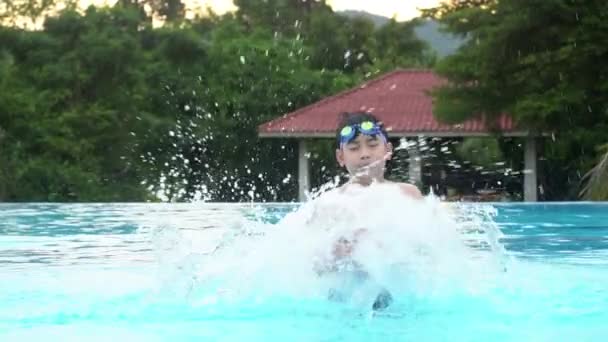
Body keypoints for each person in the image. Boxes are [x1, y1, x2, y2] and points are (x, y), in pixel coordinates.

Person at [311, 112, 424, 311]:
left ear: (388, 150)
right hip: (345, 300)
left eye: (372, 145)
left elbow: (428, 252)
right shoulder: (328, 203)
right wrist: (335, 254)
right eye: (354, 148)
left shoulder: (408, 194)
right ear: (340, 157)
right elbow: (311, 264)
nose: (364, 153)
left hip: (398, 298)